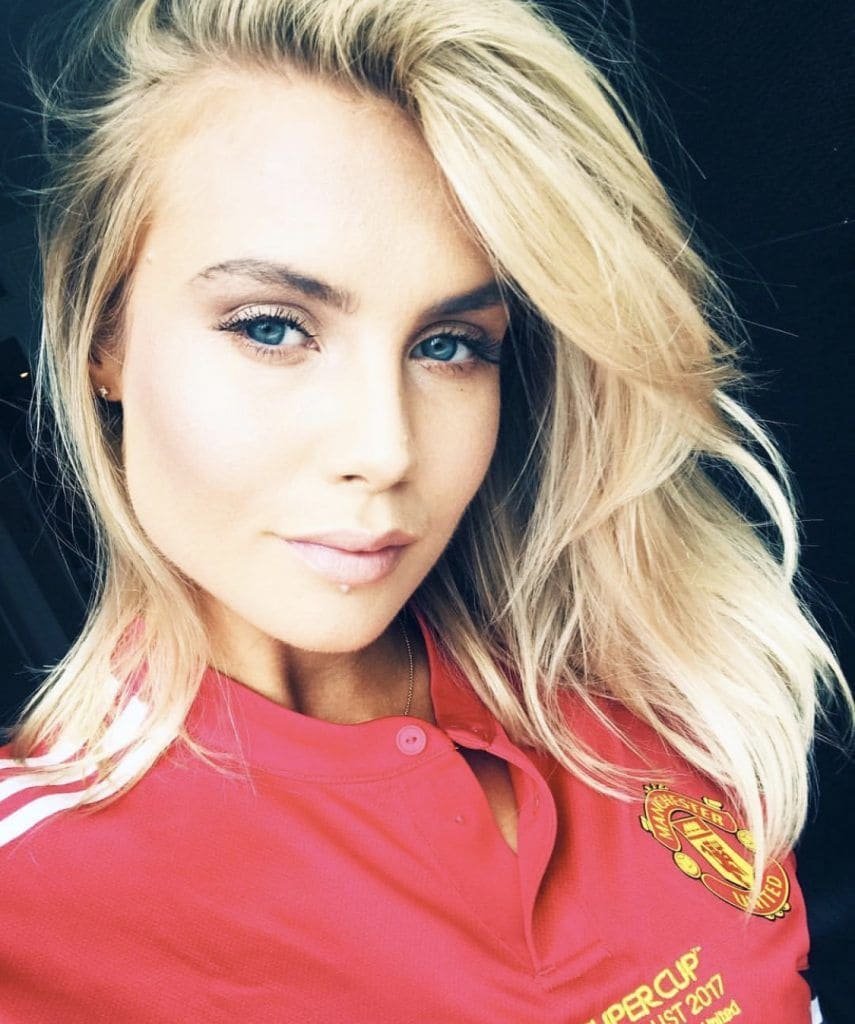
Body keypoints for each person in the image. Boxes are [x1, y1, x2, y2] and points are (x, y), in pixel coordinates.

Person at [0, 0, 850, 1020]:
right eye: (271, 327)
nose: (386, 448)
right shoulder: (32, 914)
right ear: (104, 338)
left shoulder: (656, 693)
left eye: (449, 345)